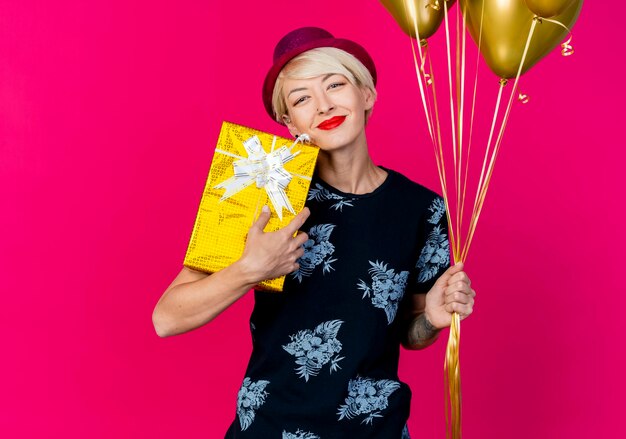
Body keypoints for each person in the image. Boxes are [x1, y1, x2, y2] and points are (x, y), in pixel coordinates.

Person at [152, 27, 476, 439]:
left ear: (367, 95)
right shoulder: (263, 188)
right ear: (290, 122)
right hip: (271, 428)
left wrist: (430, 317)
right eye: (302, 98)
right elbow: (166, 318)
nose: (323, 105)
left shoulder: (423, 209)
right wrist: (250, 269)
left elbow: (409, 334)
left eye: (335, 84)